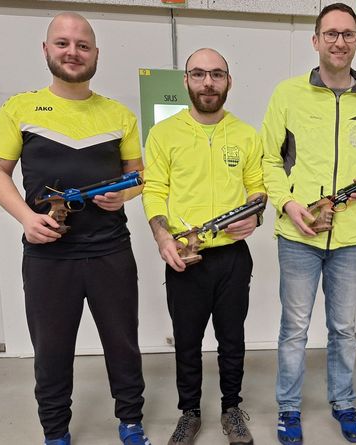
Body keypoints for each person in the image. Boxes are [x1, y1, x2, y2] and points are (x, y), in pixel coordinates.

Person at [0, 12, 149, 445]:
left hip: (111, 250)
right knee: (51, 353)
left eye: (82, 45)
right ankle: (55, 432)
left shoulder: (120, 114)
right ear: (46, 50)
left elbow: (139, 175)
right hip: (48, 256)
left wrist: (123, 196)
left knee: (123, 345)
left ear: (96, 54)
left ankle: (130, 421)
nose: (72, 52)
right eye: (63, 43)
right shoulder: (18, 109)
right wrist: (26, 217)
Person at [260, 3, 356, 444]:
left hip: (351, 236)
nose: (340, 42)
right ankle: (289, 408)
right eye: (331, 34)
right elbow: (268, 160)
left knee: (342, 328)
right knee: (294, 328)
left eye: (348, 34)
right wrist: (287, 205)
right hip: (298, 234)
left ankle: (343, 400)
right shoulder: (288, 94)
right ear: (316, 40)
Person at [143, 48, 265, 445]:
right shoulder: (164, 134)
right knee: (188, 340)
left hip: (232, 257)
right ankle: (189, 412)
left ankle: (232, 410)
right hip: (184, 256)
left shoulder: (246, 134)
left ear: (229, 81)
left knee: (232, 339)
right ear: (186, 81)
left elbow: (258, 189)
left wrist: (256, 214)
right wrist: (163, 237)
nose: (208, 82)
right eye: (198, 74)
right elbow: (155, 190)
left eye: (216, 74)